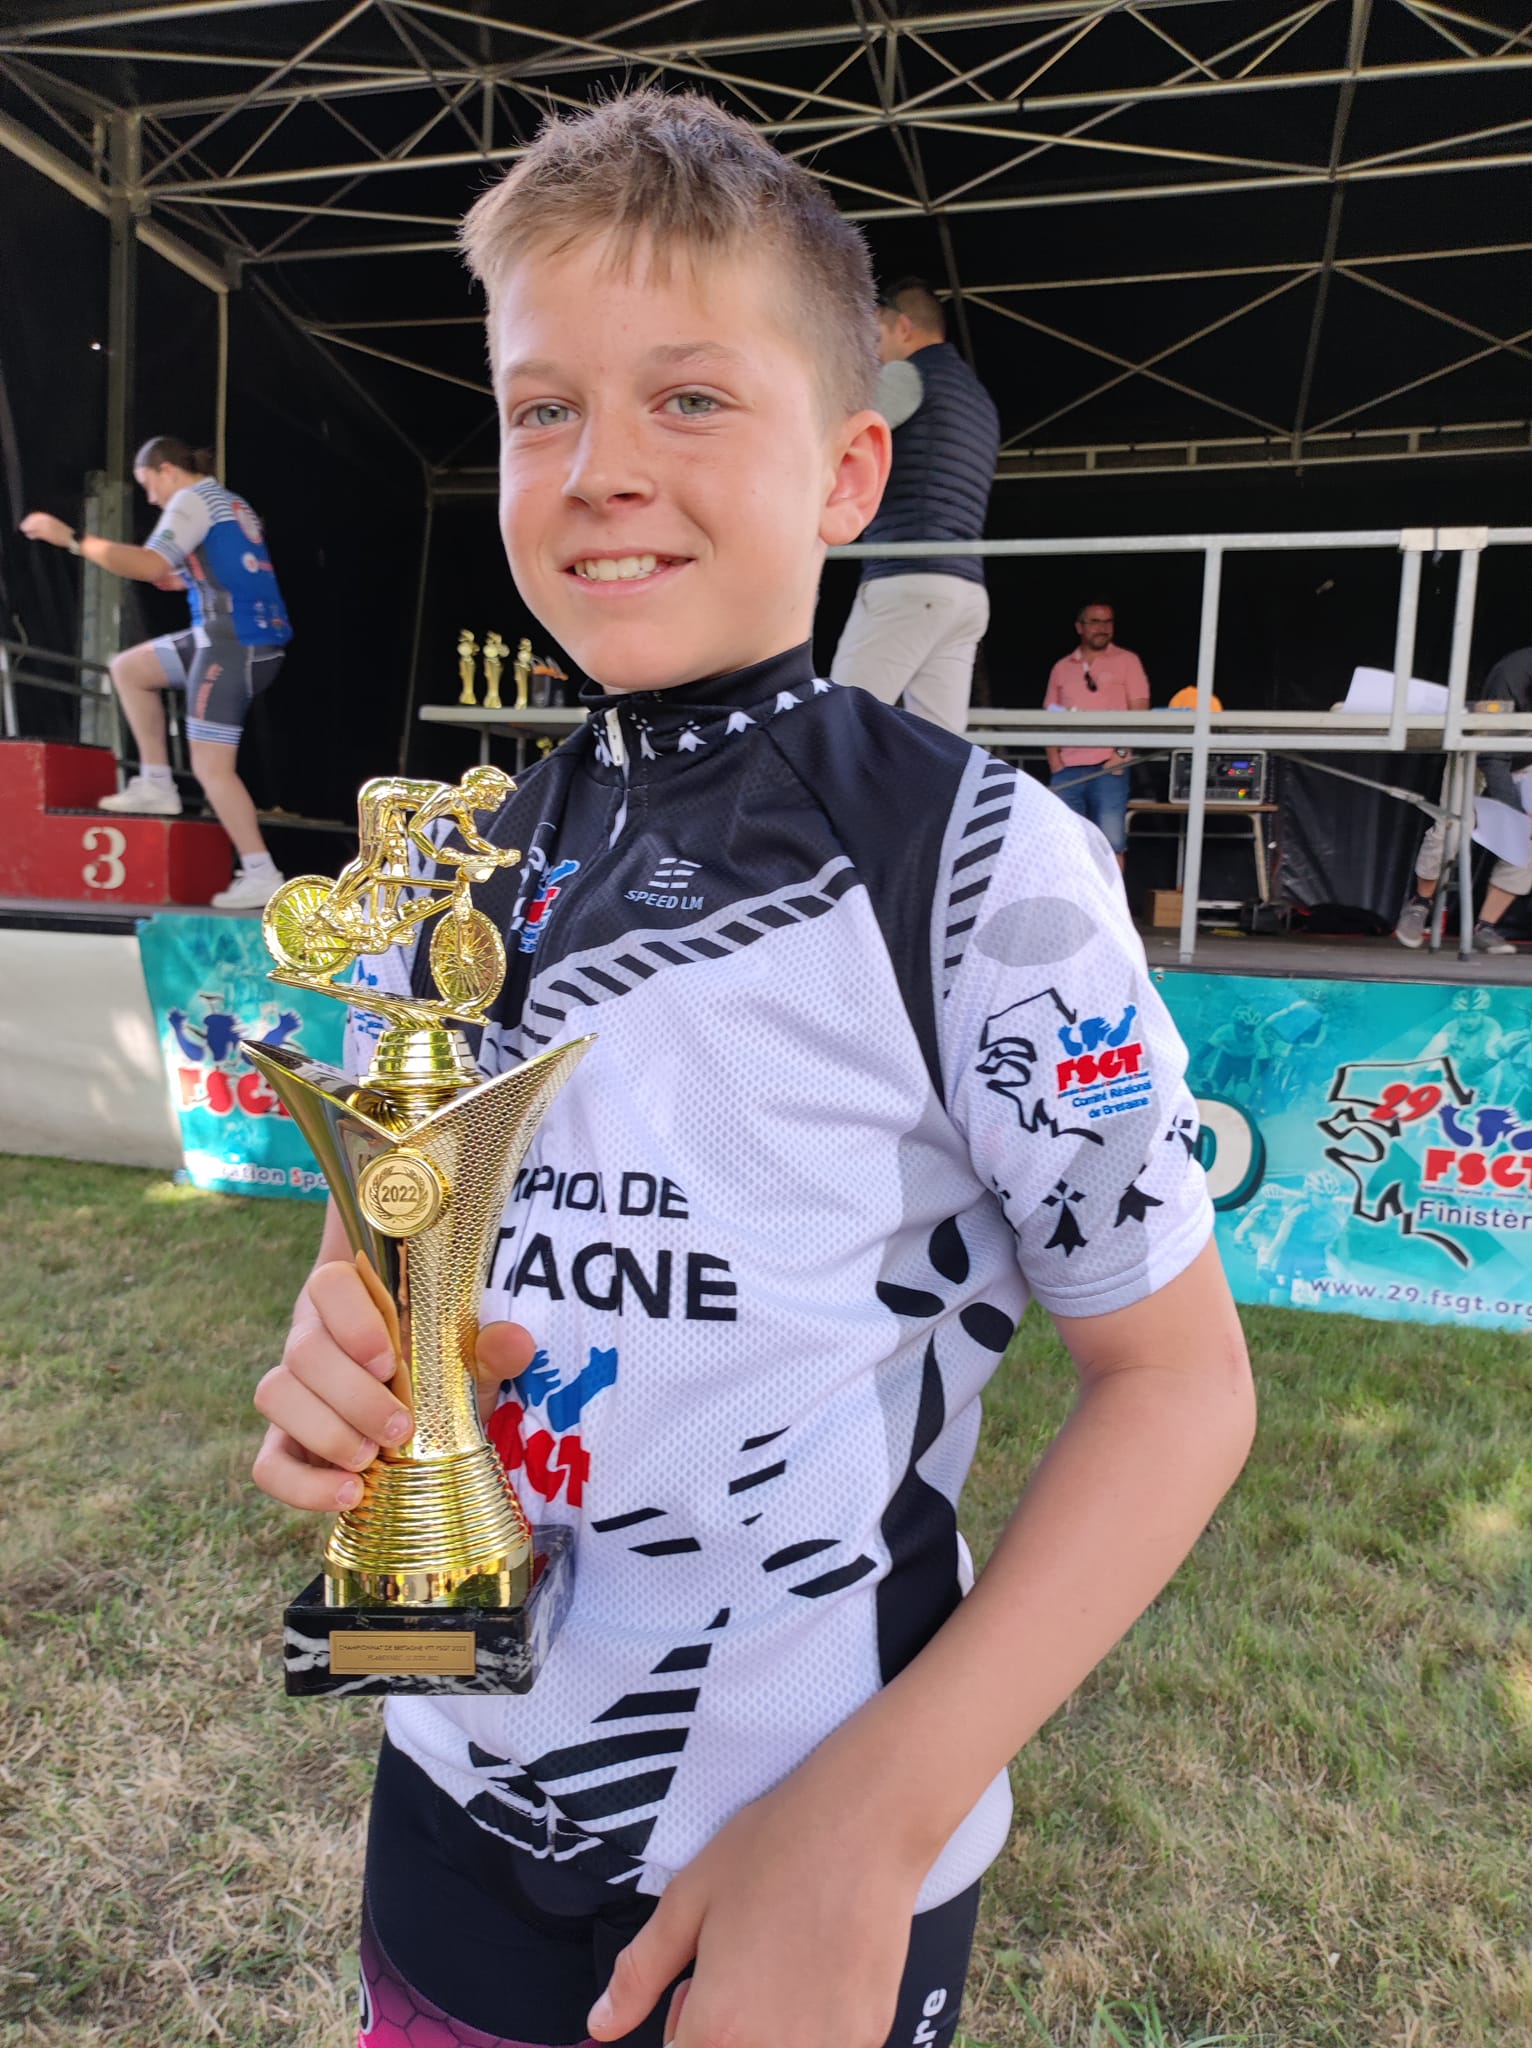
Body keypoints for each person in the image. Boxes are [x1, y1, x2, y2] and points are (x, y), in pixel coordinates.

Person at [250, 92, 1255, 2048]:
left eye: (690, 397)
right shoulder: (449, 868)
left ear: (852, 468)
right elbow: (389, 1270)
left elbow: (1178, 1381)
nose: (602, 468)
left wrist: (868, 1828)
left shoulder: (981, 869)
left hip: (802, 1867)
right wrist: (337, 1371)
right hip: (444, 1806)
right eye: (543, 408)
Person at [20, 435, 293, 911]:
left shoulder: (191, 499)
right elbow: (235, 565)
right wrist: (188, 575)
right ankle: (157, 783)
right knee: (130, 668)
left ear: (168, 470)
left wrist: (71, 539)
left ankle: (261, 873)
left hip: (234, 643)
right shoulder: (226, 500)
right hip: (236, 636)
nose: (150, 498)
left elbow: (148, 565)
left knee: (211, 767)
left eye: (149, 484)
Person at [828, 278, 1000, 733]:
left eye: (878, 337)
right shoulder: (978, 399)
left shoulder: (906, 376)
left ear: (903, 327)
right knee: (937, 744)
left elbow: (835, 441)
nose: (875, 353)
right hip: (965, 591)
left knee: (840, 726)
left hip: (908, 578)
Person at [1395, 644, 1532, 954]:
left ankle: (1485, 926)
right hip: (1478, 750)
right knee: (1453, 827)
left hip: (1526, 758)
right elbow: (1493, 758)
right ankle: (1420, 903)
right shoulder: (1514, 673)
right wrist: (1518, 814)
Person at [1043, 601, 1151, 871]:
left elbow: (1140, 713)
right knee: (1062, 842)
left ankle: (1110, 900)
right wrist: (1055, 760)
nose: (1102, 628)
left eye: (1108, 622)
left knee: (1111, 844)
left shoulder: (1128, 661)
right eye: (1095, 622)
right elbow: (1049, 718)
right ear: (1079, 627)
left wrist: (1121, 755)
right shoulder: (1062, 667)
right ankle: (1067, 898)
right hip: (1067, 769)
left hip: (1109, 767)